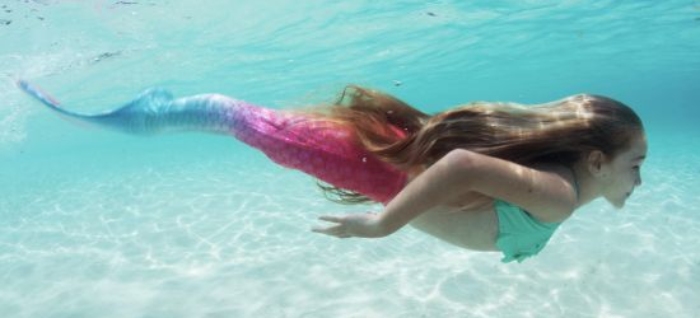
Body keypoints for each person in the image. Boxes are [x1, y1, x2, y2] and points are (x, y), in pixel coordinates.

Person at [18, 80, 647, 263]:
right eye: (636, 165)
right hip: (380, 170)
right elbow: (458, 165)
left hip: (392, 164)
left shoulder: (561, 186)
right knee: (251, 126)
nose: (640, 181)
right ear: (595, 159)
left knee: (261, 131)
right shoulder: (561, 196)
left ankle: (157, 109)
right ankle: (145, 115)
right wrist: (381, 228)